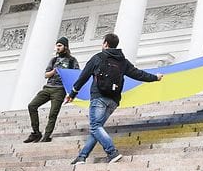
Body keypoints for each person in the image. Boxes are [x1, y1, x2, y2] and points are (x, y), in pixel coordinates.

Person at [64, 33, 163, 164]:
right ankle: (82, 157)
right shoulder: (123, 61)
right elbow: (138, 74)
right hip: (113, 101)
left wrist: (72, 94)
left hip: (99, 97)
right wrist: (155, 77)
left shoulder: (98, 57)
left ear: (105, 43)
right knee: (97, 128)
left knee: (95, 127)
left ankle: (112, 152)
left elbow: (83, 77)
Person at [24, 37, 79, 143]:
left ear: (65, 47)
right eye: (57, 46)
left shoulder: (72, 61)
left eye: (60, 46)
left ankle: (47, 136)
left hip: (59, 90)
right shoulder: (53, 60)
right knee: (32, 105)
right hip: (48, 88)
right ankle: (36, 133)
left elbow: (76, 75)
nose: (57, 48)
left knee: (52, 114)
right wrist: (54, 71)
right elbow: (46, 74)